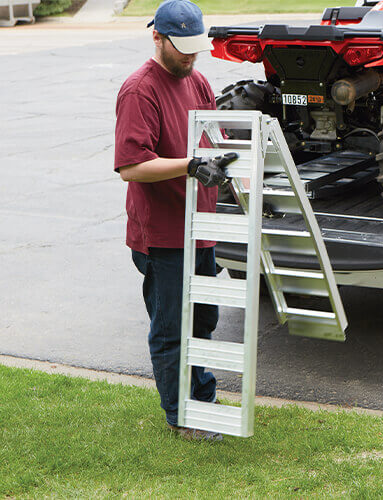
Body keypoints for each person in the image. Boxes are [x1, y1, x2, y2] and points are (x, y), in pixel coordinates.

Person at [114, 0, 237, 441]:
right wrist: (188, 165)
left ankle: (200, 397)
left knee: (203, 318)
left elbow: (212, 136)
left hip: (202, 226)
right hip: (163, 234)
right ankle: (182, 416)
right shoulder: (139, 90)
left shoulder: (198, 80)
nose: (190, 56)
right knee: (171, 327)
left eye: (195, 47)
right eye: (181, 48)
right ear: (157, 38)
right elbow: (131, 166)